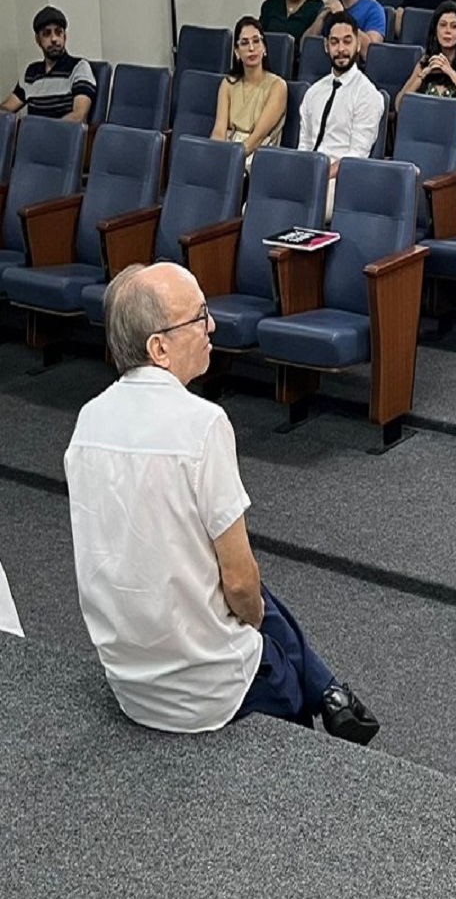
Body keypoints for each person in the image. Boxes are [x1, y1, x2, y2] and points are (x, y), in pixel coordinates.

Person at [64, 261, 378, 741]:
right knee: (271, 643)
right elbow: (240, 586)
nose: (212, 326)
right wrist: (251, 625)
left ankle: (329, 689)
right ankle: (324, 697)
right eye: (199, 317)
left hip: (130, 682)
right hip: (207, 693)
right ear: (159, 348)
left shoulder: (87, 421)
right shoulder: (202, 424)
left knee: (241, 584)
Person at [297, 18, 384, 217]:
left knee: (302, 209)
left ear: (358, 44)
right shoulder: (314, 92)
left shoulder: (367, 94)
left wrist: (321, 174)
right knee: (254, 206)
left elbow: (357, 155)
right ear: (326, 46)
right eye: (335, 42)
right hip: (308, 172)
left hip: (341, 179)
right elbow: (304, 144)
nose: (341, 49)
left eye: (347, 41)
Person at [211, 16, 287, 166]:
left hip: (258, 154)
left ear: (264, 48)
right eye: (244, 43)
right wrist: (215, 153)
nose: (251, 48)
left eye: (256, 41)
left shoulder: (278, 86)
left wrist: (231, 158)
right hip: (227, 149)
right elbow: (219, 130)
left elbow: (258, 137)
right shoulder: (228, 84)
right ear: (237, 52)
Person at [1, 6, 95, 122]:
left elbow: (79, 116)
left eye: (58, 32)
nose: (54, 39)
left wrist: (47, 133)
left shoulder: (79, 67)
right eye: (47, 33)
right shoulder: (31, 73)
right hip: (32, 137)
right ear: (38, 40)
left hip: (63, 137)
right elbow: (6, 108)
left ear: (65, 37)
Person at [394, 1, 456, 114]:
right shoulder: (425, 62)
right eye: (443, 25)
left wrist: (451, 72)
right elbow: (399, 105)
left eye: (453, 26)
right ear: (435, 30)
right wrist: (423, 75)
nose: (448, 31)